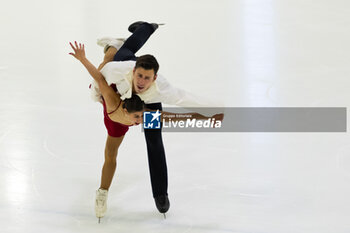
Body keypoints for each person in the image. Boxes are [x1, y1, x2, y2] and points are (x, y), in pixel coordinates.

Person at [89, 21, 223, 217]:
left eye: (147, 78)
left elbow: (186, 98)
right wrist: (96, 95)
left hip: (148, 106)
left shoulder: (161, 90)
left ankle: (160, 194)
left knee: (154, 142)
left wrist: (217, 110)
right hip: (124, 93)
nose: (142, 82)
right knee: (124, 51)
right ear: (134, 72)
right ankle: (147, 28)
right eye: (140, 76)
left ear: (155, 78)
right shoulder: (122, 69)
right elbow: (100, 76)